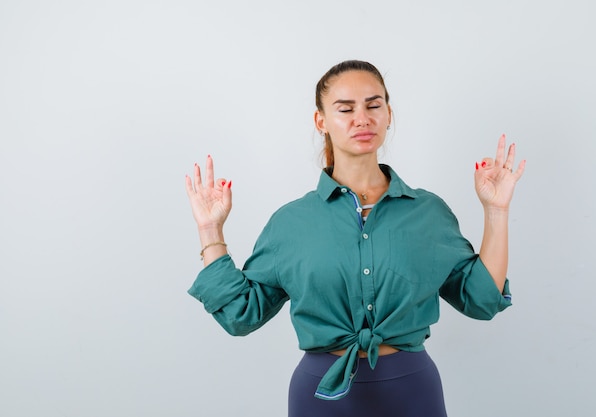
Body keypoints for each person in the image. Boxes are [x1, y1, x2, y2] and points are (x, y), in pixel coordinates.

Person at [184, 60, 525, 417]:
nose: (362, 119)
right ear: (321, 121)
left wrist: (496, 211)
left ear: (389, 114)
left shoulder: (429, 213)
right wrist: (210, 230)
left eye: (373, 105)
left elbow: (482, 301)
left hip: (412, 391)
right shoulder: (291, 223)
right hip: (320, 396)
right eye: (345, 109)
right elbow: (241, 315)